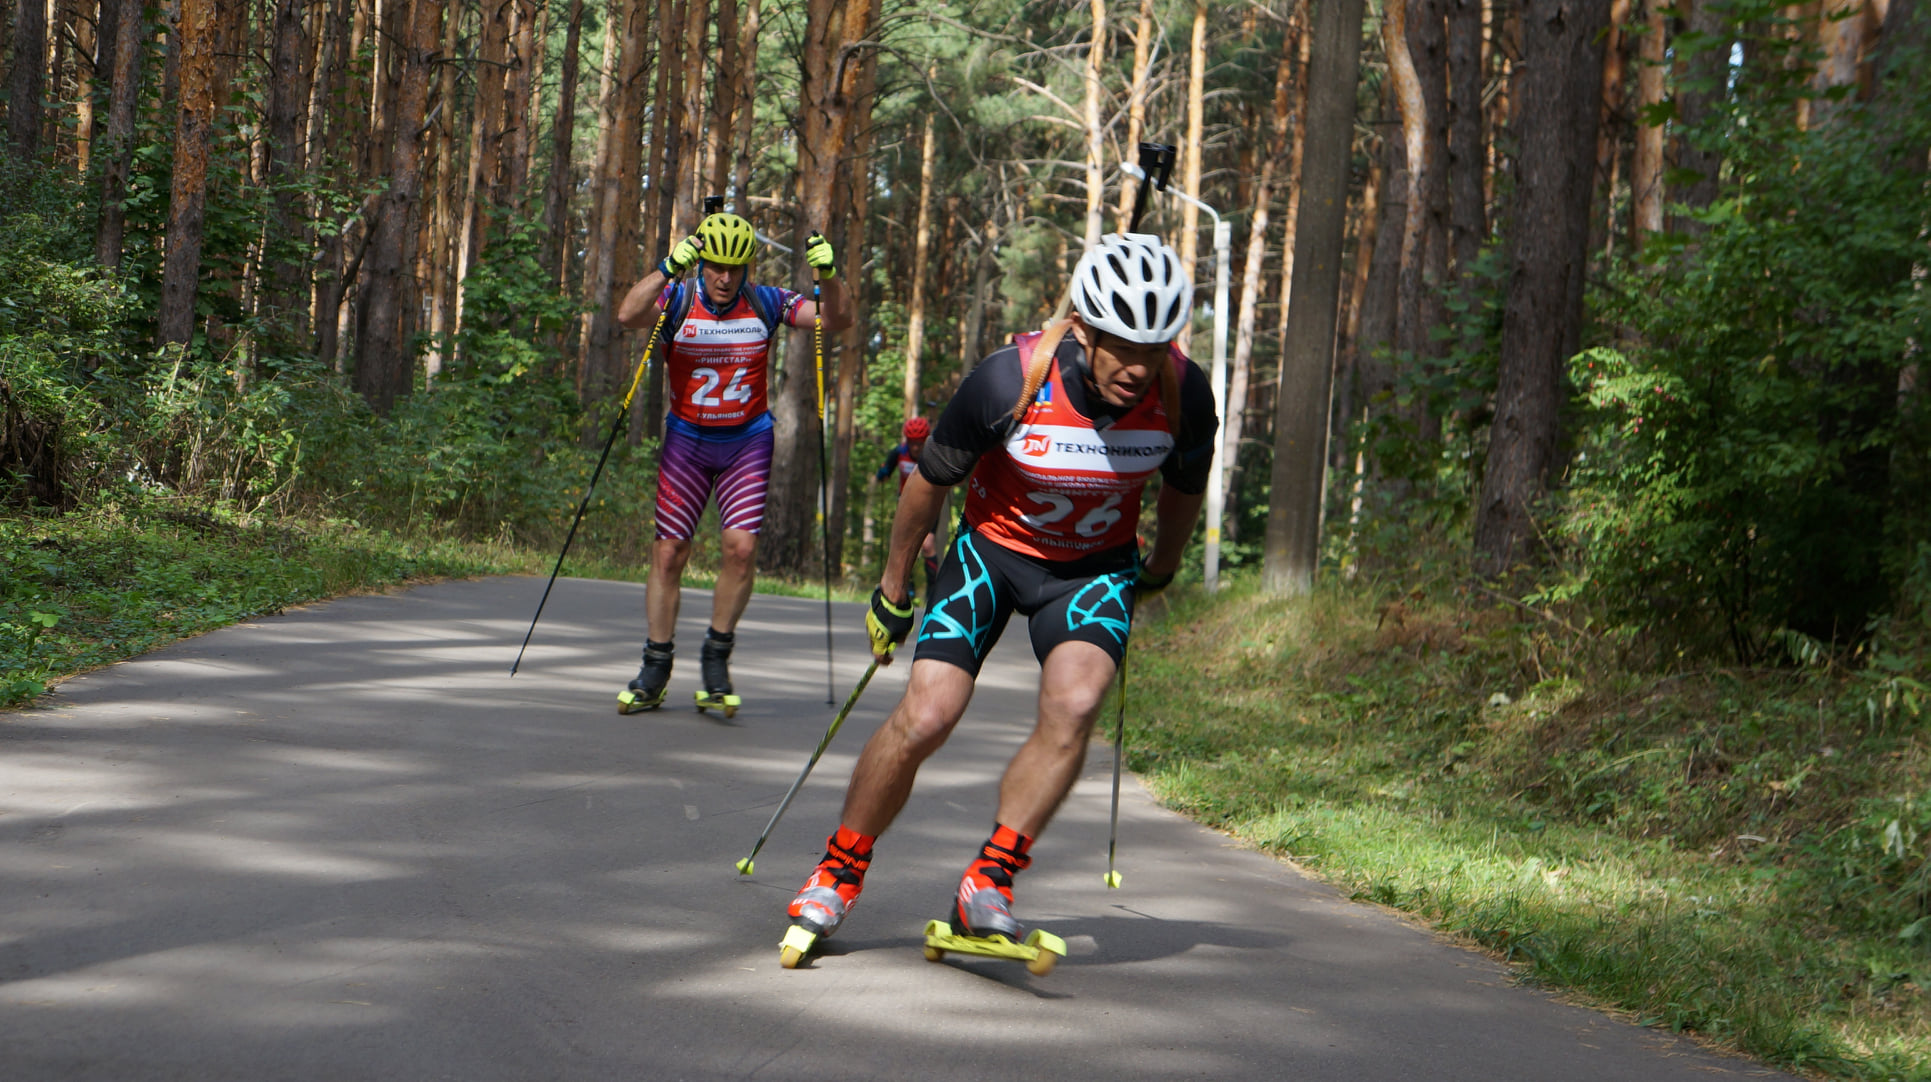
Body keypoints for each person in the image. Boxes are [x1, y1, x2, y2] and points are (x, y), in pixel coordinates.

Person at [785, 232, 1218, 946]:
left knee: (1076, 704)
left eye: (1153, 348)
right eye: (1121, 345)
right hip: (991, 554)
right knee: (928, 715)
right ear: (1083, 327)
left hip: (1093, 569)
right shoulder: (1007, 380)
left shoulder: (1183, 393)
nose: (1138, 369)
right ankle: (838, 870)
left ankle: (989, 879)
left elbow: (1183, 489)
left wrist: (1162, 567)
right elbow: (927, 485)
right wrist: (893, 588)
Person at [611, 212, 850, 715]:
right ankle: (655, 666)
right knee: (670, 553)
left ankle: (716, 659)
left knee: (740, 551)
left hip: (746, 441)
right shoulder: (678, 299)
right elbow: (627, 315)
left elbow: (836, 318)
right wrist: (665, 268)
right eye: (716, 266)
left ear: (747, 268)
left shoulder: (766, 302)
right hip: (687, 441)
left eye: (735, 268)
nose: (724, 278)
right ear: (703, 264)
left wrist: (830, 276)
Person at [873, 417, 941, 598]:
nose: (916, 448)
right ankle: (905, 587)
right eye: (912, 443)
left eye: (919, 443)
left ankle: (932, 591)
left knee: (927, 545)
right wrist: (882, 474)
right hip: (905, 504)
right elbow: (886, 472)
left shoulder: (932, 454)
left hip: (930, 504)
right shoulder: (899, 452)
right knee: (903, 545)